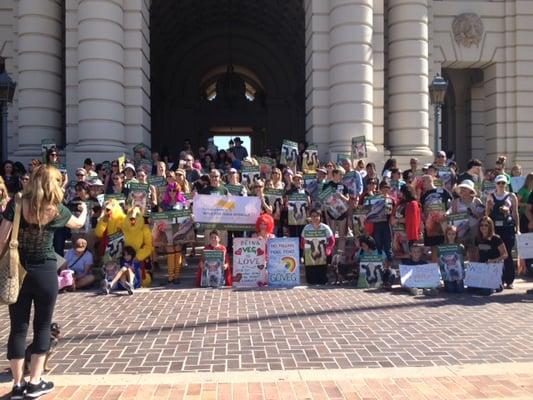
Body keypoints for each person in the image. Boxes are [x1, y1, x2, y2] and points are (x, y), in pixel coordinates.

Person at [0, 165, 87, 399]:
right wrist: (85, 209)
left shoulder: (17, 203)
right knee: (42, 326)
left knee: (17, 327)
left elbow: (2, 238)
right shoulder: (56, 209)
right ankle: (35, 381)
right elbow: (78, 224)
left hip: (18, 272)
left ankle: (17, 385)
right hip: (45, 271)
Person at [485, 175, 520, 289]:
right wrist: (489, 207)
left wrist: (517, 228)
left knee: (508, 253)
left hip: (507, 227)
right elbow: (487, 214)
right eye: (499, 183)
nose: (501, 185)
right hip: (496, 228)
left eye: (503, 183)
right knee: (496, 252)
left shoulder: (511, 196)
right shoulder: (491, 196)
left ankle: (509, 280)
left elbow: (515, 213)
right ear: (495, 184)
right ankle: (498, 278)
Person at [470, 216, 508, 295]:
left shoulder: (496, 238)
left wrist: (493, 261)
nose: (483, 227)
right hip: (483, 268)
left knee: (486, 291)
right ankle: (489, 285)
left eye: (486, 225)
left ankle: (498, 285)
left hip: (494, 268)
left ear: (490, 226)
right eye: (481, 225)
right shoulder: (477, 239)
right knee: (471, 289)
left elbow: (505, 255)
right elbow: (477, 254)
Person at [301, 207, 335, 285]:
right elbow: (302, 241)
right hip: (310, 251)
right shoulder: (306, 228)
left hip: (323, 251)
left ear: (320, 217)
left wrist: (328, 249)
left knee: (323, 266)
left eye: (317, 216)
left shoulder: (325, 228)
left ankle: (323, 279)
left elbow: (332, 240)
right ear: (310, 217)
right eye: (313, 216)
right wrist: (305, 250)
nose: (315, 218)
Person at [438, 225, 465, 293]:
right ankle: (447, 283)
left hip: (457, 272)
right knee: (451, 290)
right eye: (449, 234)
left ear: (456, 235)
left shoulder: (460, 247)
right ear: (446, 235)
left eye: (453, 234)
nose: (451, 236)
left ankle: (458, 282)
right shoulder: (442, 248)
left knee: (460, 290)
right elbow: (440, 262)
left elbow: (462, 262)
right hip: (448, 274)